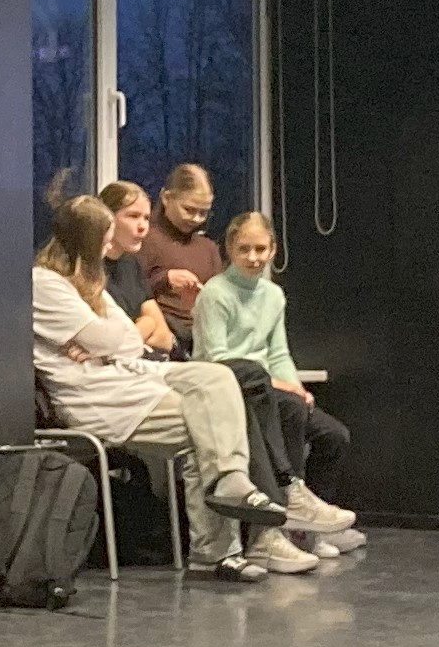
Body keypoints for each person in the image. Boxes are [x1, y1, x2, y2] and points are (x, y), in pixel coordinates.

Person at [29, 194, 303, 575]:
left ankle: (230, 484)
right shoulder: (45, 284)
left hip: (129, 376)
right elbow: (115, 337)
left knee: (218, 377)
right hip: (97, 400)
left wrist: (102, 342)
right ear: (86, 242)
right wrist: (106, 339)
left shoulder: (91, 284)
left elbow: (127, 339)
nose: (109, 249)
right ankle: (216, 551)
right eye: (105, 240)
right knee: (206, 426)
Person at [191, 210, 356, 546]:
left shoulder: (273, 295)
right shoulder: (215, 293)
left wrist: (295, 386)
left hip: (272, 387)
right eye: (244, 249)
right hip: (233, 388)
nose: (253, 257)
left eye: (260, 249)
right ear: (229, 249)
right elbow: (217, 357)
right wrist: (281, 387)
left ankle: (310, 528)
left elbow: (278, 352)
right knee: (291, 410)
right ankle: (286, 507)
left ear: (273, 250)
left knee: (334, 435)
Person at [136, 162, 227, 346]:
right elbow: (126, 293)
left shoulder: (209, 248)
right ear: (166, 198)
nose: (196, 219)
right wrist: (165, 280)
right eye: (189, 210)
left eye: (203, 213)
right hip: (161, 336)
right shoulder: (144, 240)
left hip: (205, 336)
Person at [93, 181, 177, 353]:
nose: (142, 227)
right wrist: (147, 324)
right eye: (133, 216)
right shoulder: (88, 268)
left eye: (146, 218)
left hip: (143, 359)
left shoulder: (132, 263)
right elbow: (104, 345)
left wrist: (147, 324)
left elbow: (164, 339)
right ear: (107, 218)